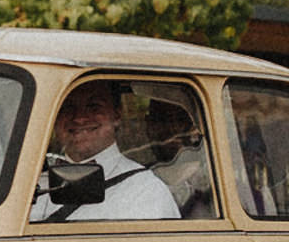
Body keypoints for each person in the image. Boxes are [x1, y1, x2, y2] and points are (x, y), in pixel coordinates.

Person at [31, 81, 179, 221]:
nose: (79, 118)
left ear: (117, 115)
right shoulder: (32, 186)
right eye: (68, 107)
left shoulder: (146, 191)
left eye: (94, 106)